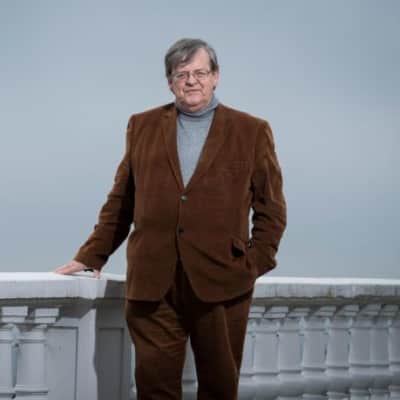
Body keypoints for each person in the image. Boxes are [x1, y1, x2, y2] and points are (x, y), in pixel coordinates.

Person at [55, 38, 286, 400]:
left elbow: (271, 208)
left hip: (223, 282)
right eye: (182, 74)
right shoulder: (142, 125)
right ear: (169, 81)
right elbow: (122, 200)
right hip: (153, 284)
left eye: (200, 73)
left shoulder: (251, 130)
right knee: (154, 391)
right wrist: (92, 254)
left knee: (220, 389)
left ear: (216, 77)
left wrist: (254, 264)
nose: (191, 81)